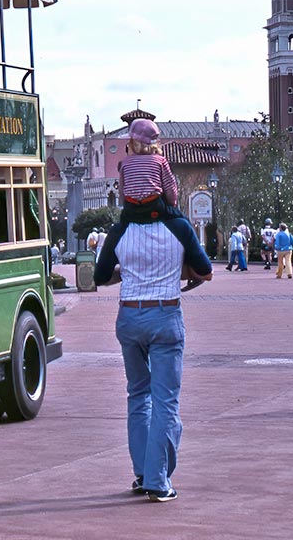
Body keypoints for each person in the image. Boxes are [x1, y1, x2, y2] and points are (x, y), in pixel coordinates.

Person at [93, 205, 213, 503]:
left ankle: (144, 473)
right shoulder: (179, 227)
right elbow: (206, 271)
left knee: (137, 395)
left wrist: (130, 271)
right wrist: (174, 269)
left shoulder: (120, 230)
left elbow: (100, 276)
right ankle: (158, 480)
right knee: (165, 401)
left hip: (130, 317)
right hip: (164, 316)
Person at [98, 120, 203, 279]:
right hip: (155, 207)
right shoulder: (160, 161)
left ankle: (103, 270)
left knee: (116, 232)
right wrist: (172, 205)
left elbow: (122, 191)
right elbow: (171, 190)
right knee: (184, 224)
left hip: (132, 211)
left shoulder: (124, 163)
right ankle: (191, 264)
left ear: (133, 142)